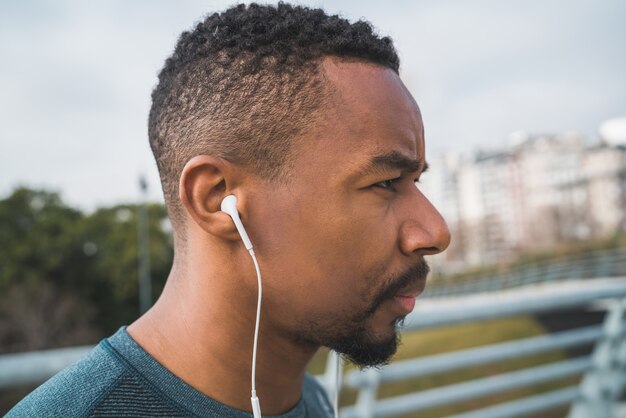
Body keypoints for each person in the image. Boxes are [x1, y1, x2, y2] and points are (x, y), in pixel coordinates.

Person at [8, 3, 450, 417]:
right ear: (217, 199)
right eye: (386, 183)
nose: (435, 230)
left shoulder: (312, 400)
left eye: (416, 181)